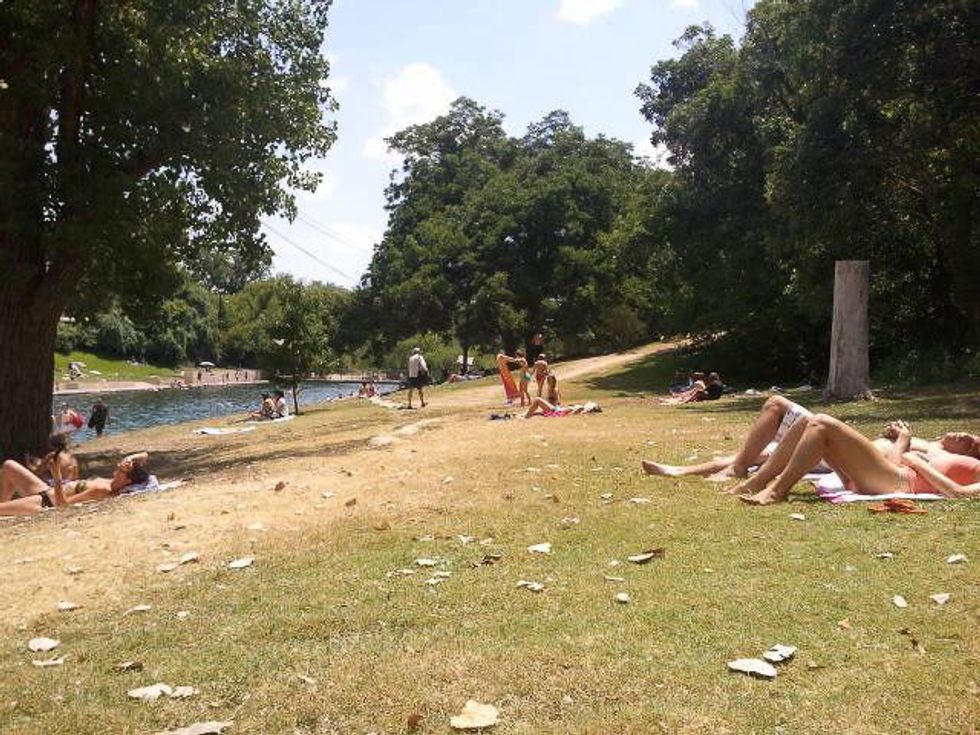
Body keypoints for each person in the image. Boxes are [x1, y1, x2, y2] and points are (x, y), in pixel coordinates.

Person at [736, 416, 980, 505]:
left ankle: (776, 492)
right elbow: (897, 463)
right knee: (806, 422)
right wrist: (906, 446)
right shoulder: (949, 456)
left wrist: (919, 464)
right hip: (887, 476)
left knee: (822, 423)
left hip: (897, 481)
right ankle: (757, 482)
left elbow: (961, 494)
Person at [643, 395, 813, 480]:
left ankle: (737, 468)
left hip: (832, 445)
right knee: (756, 455)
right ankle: (681, 470)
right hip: (829, 446)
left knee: (776, 403)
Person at [0, 452, 150, 517]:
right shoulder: (113, 481)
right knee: (9, 466)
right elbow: (145, 455)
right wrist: (131, 458)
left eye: (122, 469)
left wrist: (57, 474)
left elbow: (62, 505)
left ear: (128, 480)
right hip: (46, 491)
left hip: (45, 503)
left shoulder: (102, 489)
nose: (119, 466)